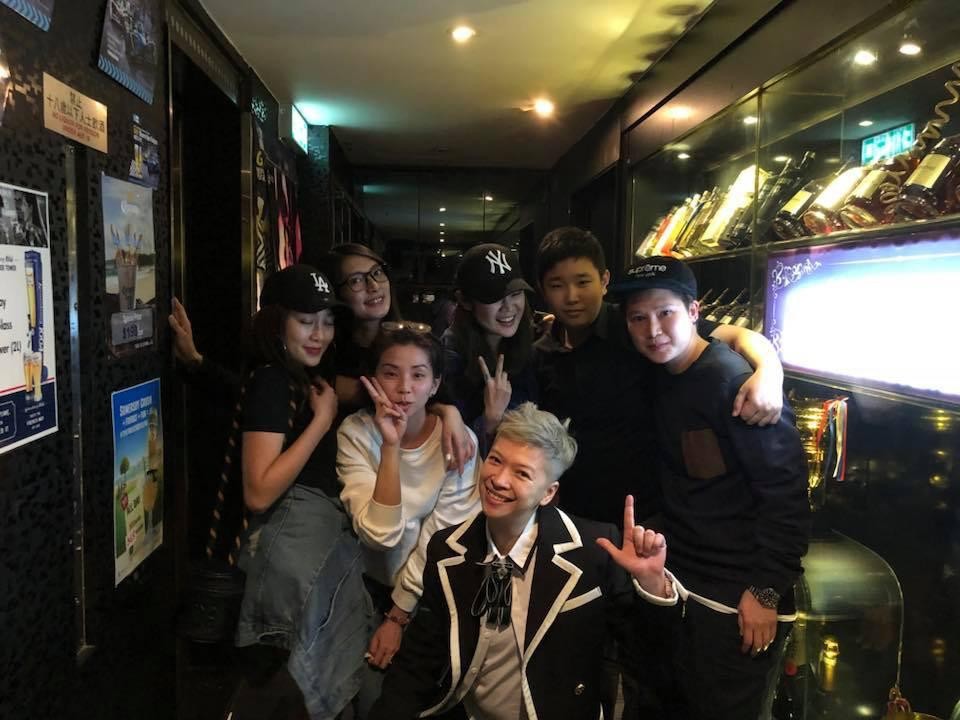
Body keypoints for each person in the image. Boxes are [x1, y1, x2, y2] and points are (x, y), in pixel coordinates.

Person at [368, 402, 674, 720]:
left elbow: (648, 653)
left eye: (522, 473)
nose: (499, 480)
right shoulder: (447, 549)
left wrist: (652, 583)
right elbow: (421, 658)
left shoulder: (591, 551)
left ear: (548, 492)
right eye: (496, 460)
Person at [611, 256, 810, 720]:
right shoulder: (664, 372)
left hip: (738, 598)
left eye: (665, 314)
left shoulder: (734, 384)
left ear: (694, 312)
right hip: (685, 583)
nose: (653, 329)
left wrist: (765, 592)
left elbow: (786, 494)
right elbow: (733, 330)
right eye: (638, 318)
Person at [533, 226, 785, 527]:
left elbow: (734, 334)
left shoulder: (634, 323)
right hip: (572, 507)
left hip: (647, 510)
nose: (572, 296)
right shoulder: (540, 353)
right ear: (543, 290)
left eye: (583, 282)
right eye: (557, 285)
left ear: (603, 281)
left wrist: (770, 369)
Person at [231, 264, 371, 720]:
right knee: (294, 686)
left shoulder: (298, 376)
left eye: (328, 321)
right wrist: (323, 422)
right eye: (306, 321)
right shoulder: (274, 380)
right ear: (277, 322)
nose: (320, 333)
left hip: (307, 544)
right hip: (290, 548)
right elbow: (258, 490)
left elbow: (374, 386)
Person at [336, 326, 481, 713]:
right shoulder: (356, 434)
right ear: (372, 379)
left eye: (418, 375)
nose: (403, 388)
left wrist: (399, 616)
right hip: (366, 586)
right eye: (390, 373)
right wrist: (390, 445)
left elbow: (445, 536)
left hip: (431, 591)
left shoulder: (459, 440)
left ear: (435, 385)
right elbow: (380, 536)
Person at [321, 243, 475, 473]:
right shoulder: (327, 352)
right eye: (356, 280)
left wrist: (448, 411)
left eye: (377, 273)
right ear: (337, 293)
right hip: (347, 465)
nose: (373, 286)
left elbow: (428, 395)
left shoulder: (411, 342)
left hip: (406, 466)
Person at [441, 243, 538, 453]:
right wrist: (491, 419)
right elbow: (452, 451)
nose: (509, 307)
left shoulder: (528, 346)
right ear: (465, 301)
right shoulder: (449, 355)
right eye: (494, 298)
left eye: (516, 293)